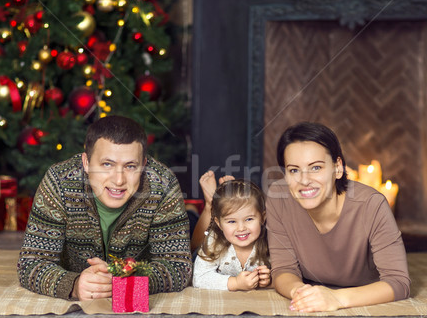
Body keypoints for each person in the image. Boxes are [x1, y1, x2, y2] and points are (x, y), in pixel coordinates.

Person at [17, 115, 192, 301]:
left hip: (137, 278)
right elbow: (31, 262)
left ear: (143, 165)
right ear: (86, 163)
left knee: (197, 233)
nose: (119, 180)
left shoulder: (163, 184)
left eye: (130, 166)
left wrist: (126, 278)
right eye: (107, 164)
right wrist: (73, 285)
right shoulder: (59, 182)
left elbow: (179, 266)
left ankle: (194, 213)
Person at [267, 122, 410, 312]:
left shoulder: (371, 204)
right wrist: (302, 293)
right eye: (294, 170)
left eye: (316, 168)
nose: (304, 180)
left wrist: (336, 298)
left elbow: (399, 282)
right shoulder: (278, 198)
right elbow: (283, 269)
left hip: (365, 292)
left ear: (338, 168)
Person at [192, 172, 271, 291]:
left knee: (230, 210)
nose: (241, 228)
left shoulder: (271, 240)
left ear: (263, 217)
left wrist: (270, 280)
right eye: (232, 221)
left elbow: (287, 272)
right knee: (193, 250)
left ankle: (226, 199)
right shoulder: (214, 241)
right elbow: (199, 278)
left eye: (249, 219)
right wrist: (235, 283)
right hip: (203, 247)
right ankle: (210, 204)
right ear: (219, 223)